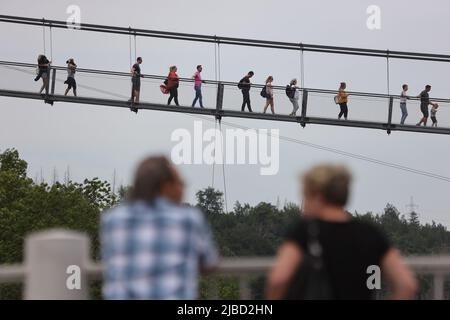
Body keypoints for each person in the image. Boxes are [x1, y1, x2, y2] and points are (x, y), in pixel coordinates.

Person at [266, 164, 417, 300]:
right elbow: (406, 285)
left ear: (318, 197)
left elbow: (278, 280)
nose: (303, 205)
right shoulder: (371, 233)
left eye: (306, 196)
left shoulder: (305, 230)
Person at [101, 156, 219, 300]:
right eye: (180, 183)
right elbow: (209, 261)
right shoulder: (188, 219)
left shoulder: (112, 220)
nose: (183, 188)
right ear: (165, 186)